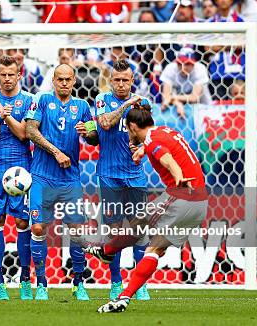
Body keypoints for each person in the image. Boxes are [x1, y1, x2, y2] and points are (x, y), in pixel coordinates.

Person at [90, 107, 208, 313]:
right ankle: (123, 298)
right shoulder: (165, 131)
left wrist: (178, 176)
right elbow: (160, 148)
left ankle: (106, 252)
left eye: (128, 130)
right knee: (153, 250)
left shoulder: (153, 141)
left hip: (181, 195)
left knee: (140, 222)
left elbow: (167, 159)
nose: (127, 134)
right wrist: (141, 152)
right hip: (200, 204)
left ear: (133, 127)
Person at [24, 64, 98, 300]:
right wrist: (56, 152)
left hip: (70, 179)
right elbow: (30, 131)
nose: (64, 83)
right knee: (37, 228)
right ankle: (42, 284)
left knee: (77, 231)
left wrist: (88, 133)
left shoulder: (83, 107)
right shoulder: (42, 100)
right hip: (42, 176)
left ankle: (78, 283)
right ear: (54, 80)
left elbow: (95, 138)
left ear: (74, 80)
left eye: (68, 79)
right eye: (60, 79)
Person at [94, 60, 151, 301]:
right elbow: (105, 124)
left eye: (125, 80)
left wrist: (139, 147)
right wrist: (127, 104)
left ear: (132, 81)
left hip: (135, 174)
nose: (120, 84)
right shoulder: (101, 100)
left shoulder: (144, 103)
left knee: (139, 230)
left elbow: (147, 135)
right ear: (110, 80)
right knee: (115, 231)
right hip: (109, 175)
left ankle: (139, 285)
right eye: (116, 80)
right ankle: (116, 282)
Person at [0, 55, 34, 300]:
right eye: (3, 74)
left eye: (12, 74)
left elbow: (24, 134)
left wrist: (4, 113)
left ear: (19, 75)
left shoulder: (29, 101)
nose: (7, 78)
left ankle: (24, 279)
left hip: (21, 167)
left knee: (23, 223)